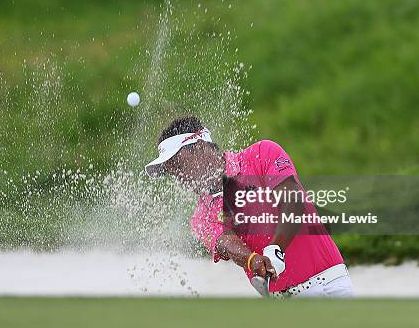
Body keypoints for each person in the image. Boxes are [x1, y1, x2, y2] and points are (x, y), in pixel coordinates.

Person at [145, 116, 353, 297]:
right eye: (173, 173)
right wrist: (252, 260)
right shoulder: (200, 218)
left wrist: (276, 248)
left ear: (200, 147)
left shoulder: (261, 154)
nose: (179, 178)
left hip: (330, 284)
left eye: (179, 166)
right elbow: (227, 244)